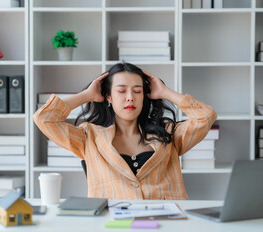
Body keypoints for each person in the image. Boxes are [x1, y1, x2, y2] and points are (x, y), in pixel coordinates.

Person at [33, 62, 216, 200]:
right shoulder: (89, 137)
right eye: (121, 91)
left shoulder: (168, 133)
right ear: (109, 97)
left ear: (144, 96)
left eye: (137, 91)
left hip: (165, 222)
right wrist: (87, 95)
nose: (130, 98)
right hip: (113, 224)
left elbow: (205, 117)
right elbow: (44, 119)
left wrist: (165, 92)